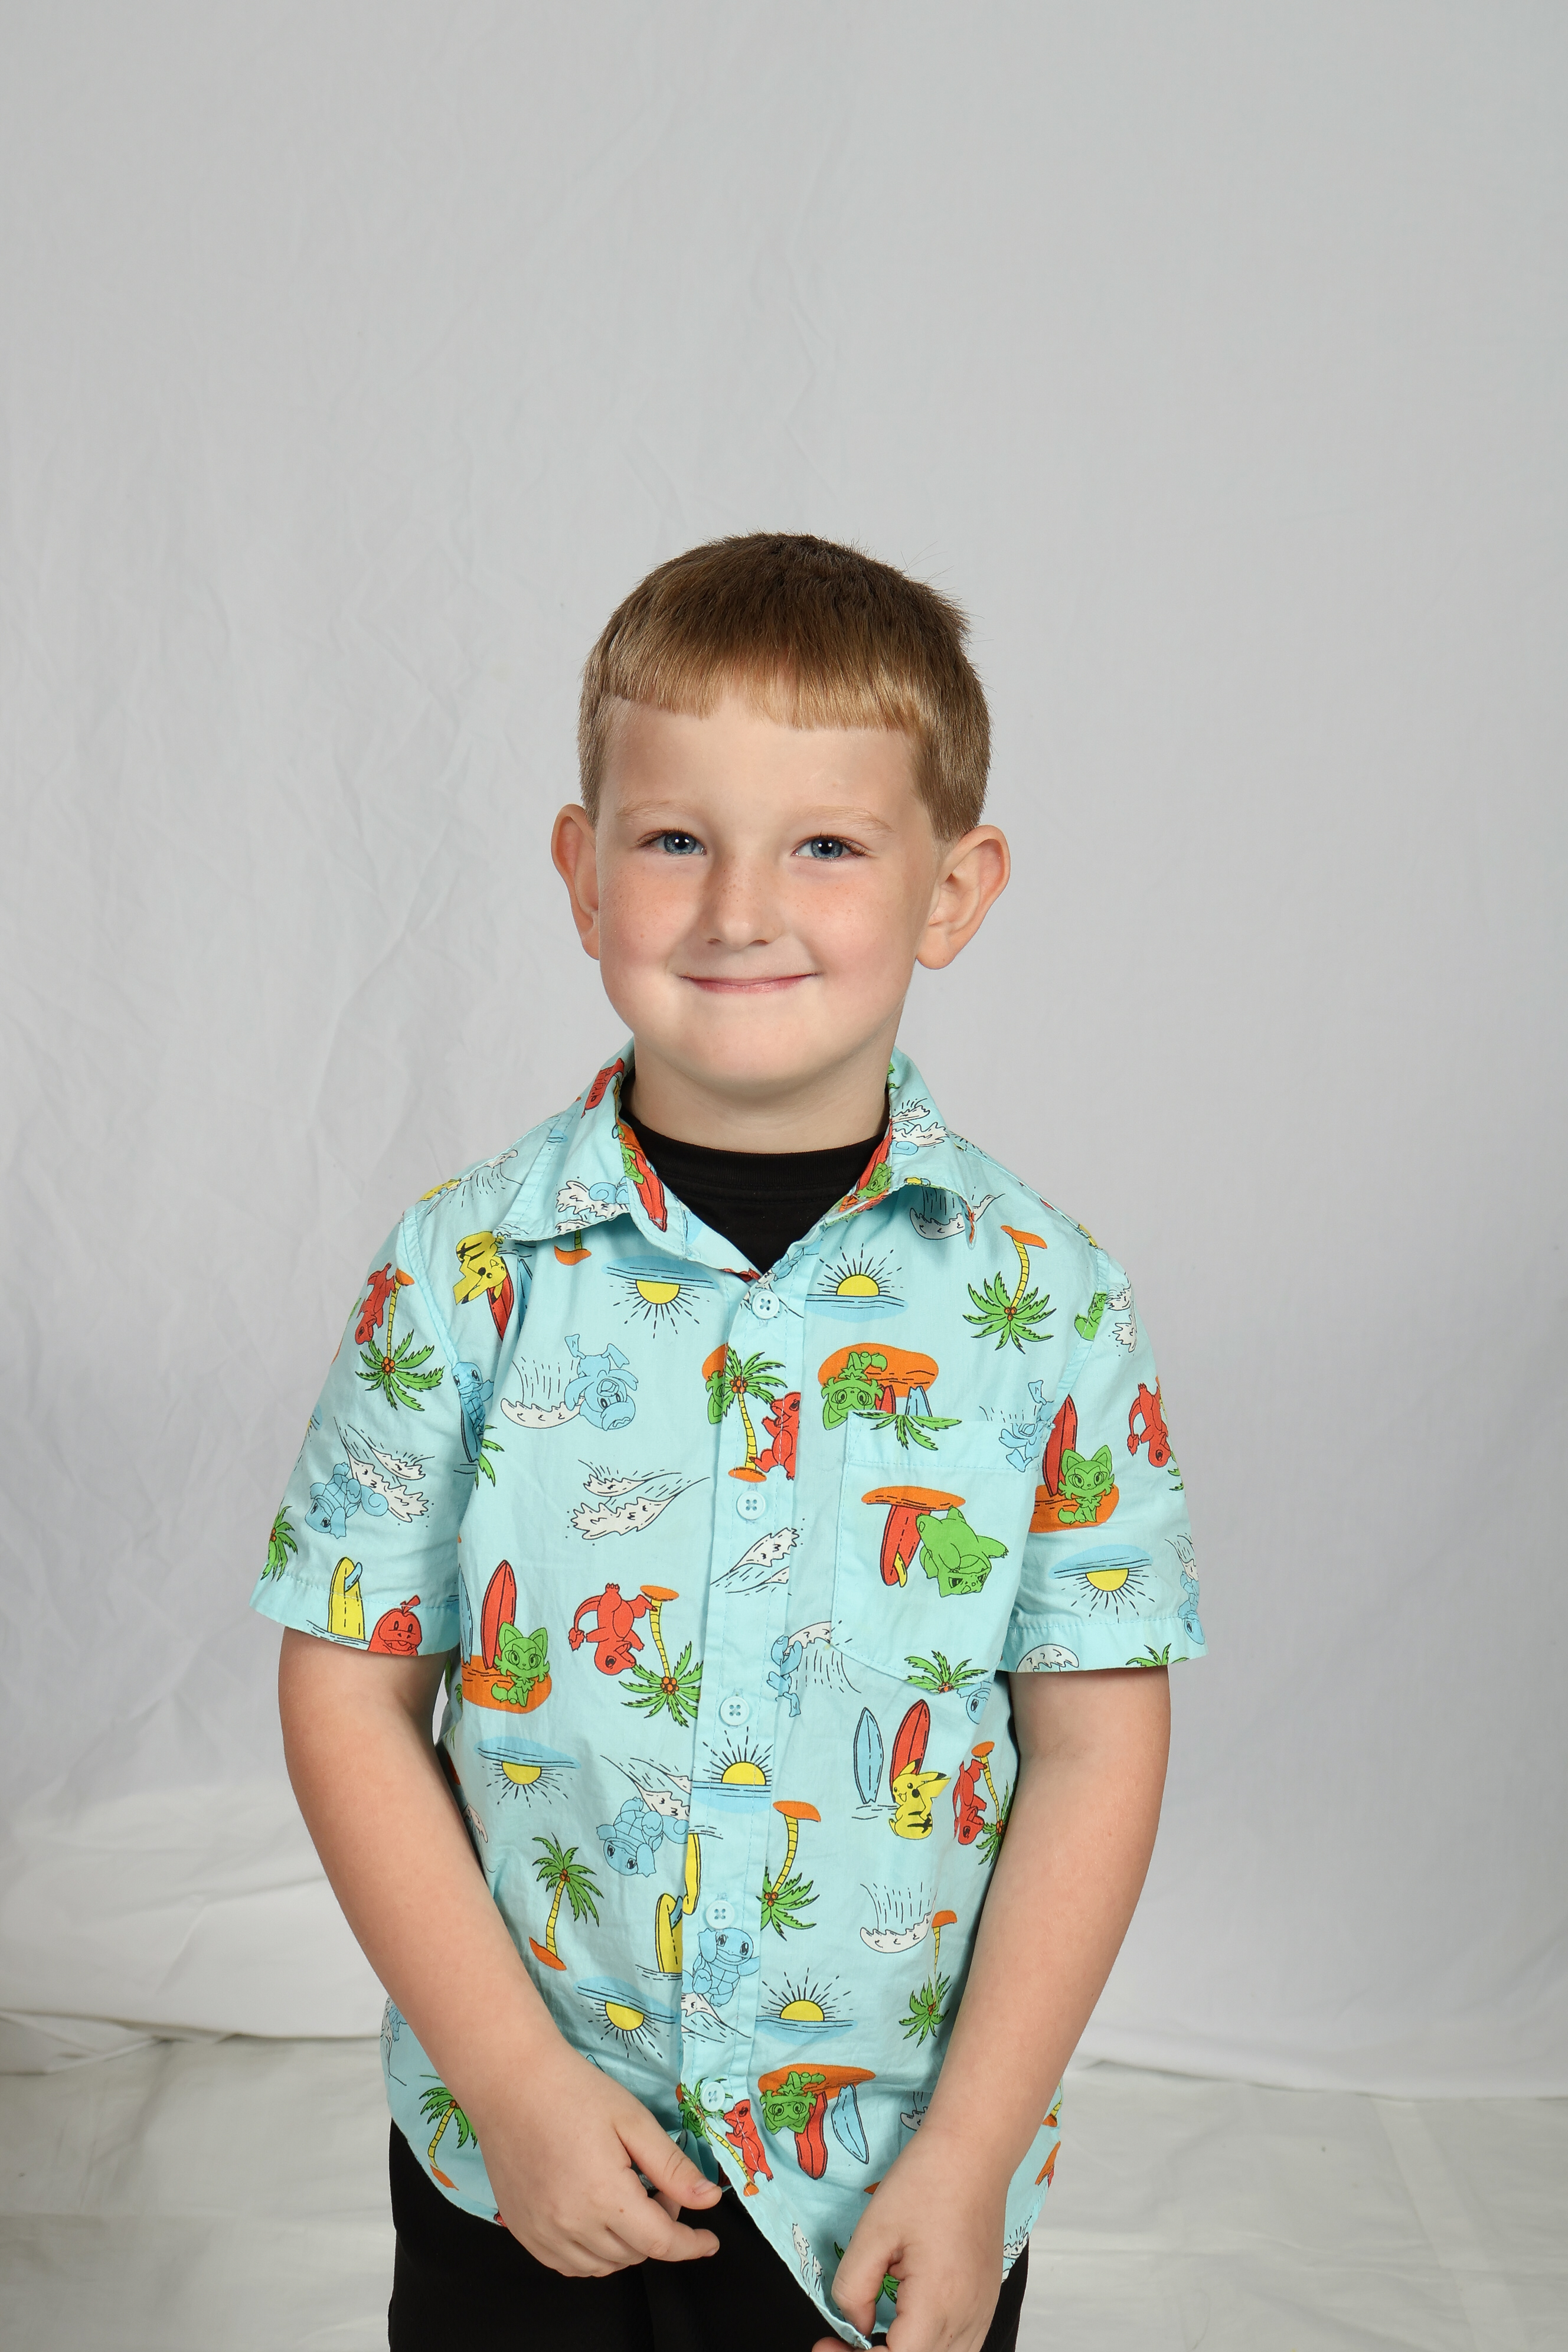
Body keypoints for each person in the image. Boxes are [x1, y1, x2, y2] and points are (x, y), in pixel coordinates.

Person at [253, 533, 1204, 2352]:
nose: (738, 909)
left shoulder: (1054, 1304)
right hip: (529, 2155)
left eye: (827, 845)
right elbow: (349, 1691)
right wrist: (509, 2082)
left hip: (891, 2181)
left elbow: (1095, 1746)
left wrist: (974, 2153)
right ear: (580, 869)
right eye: (676, 838)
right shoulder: (462, 1271)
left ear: (953, 889)